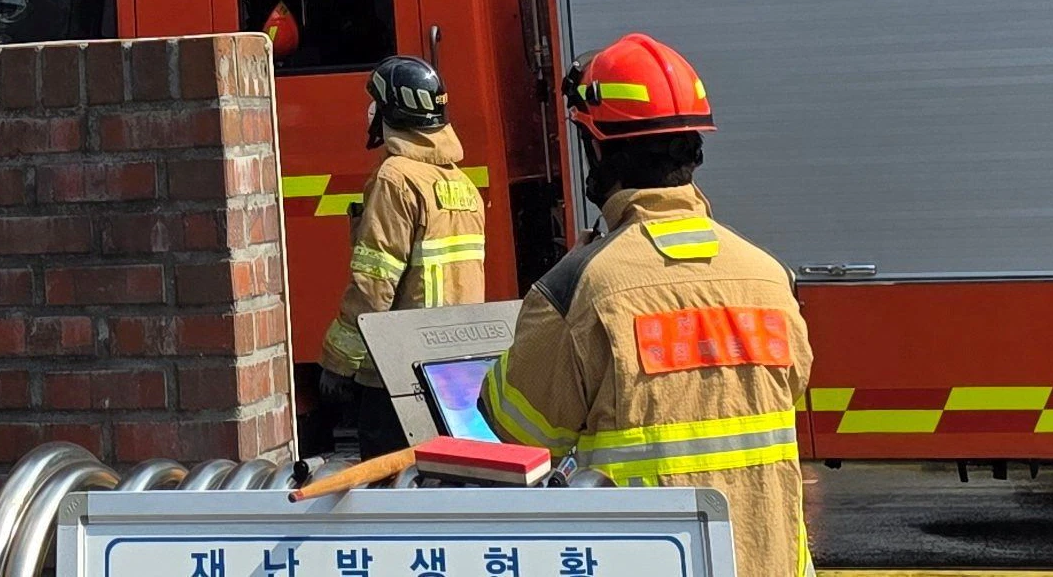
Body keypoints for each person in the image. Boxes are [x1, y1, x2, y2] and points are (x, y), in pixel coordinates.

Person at [484, 33, 809, 576]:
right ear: (694, 149)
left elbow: (518, 426)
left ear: (596, 148)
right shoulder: (769, 276)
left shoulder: (579, 287)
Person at [317, 55, 486, 456]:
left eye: (374, 100)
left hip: (398, 377)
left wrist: (339, 362)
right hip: (456, 372)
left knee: (393, 491)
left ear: (390, 109)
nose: (369, 110)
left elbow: (374, 283)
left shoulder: (395, 178)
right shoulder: (461, 185)